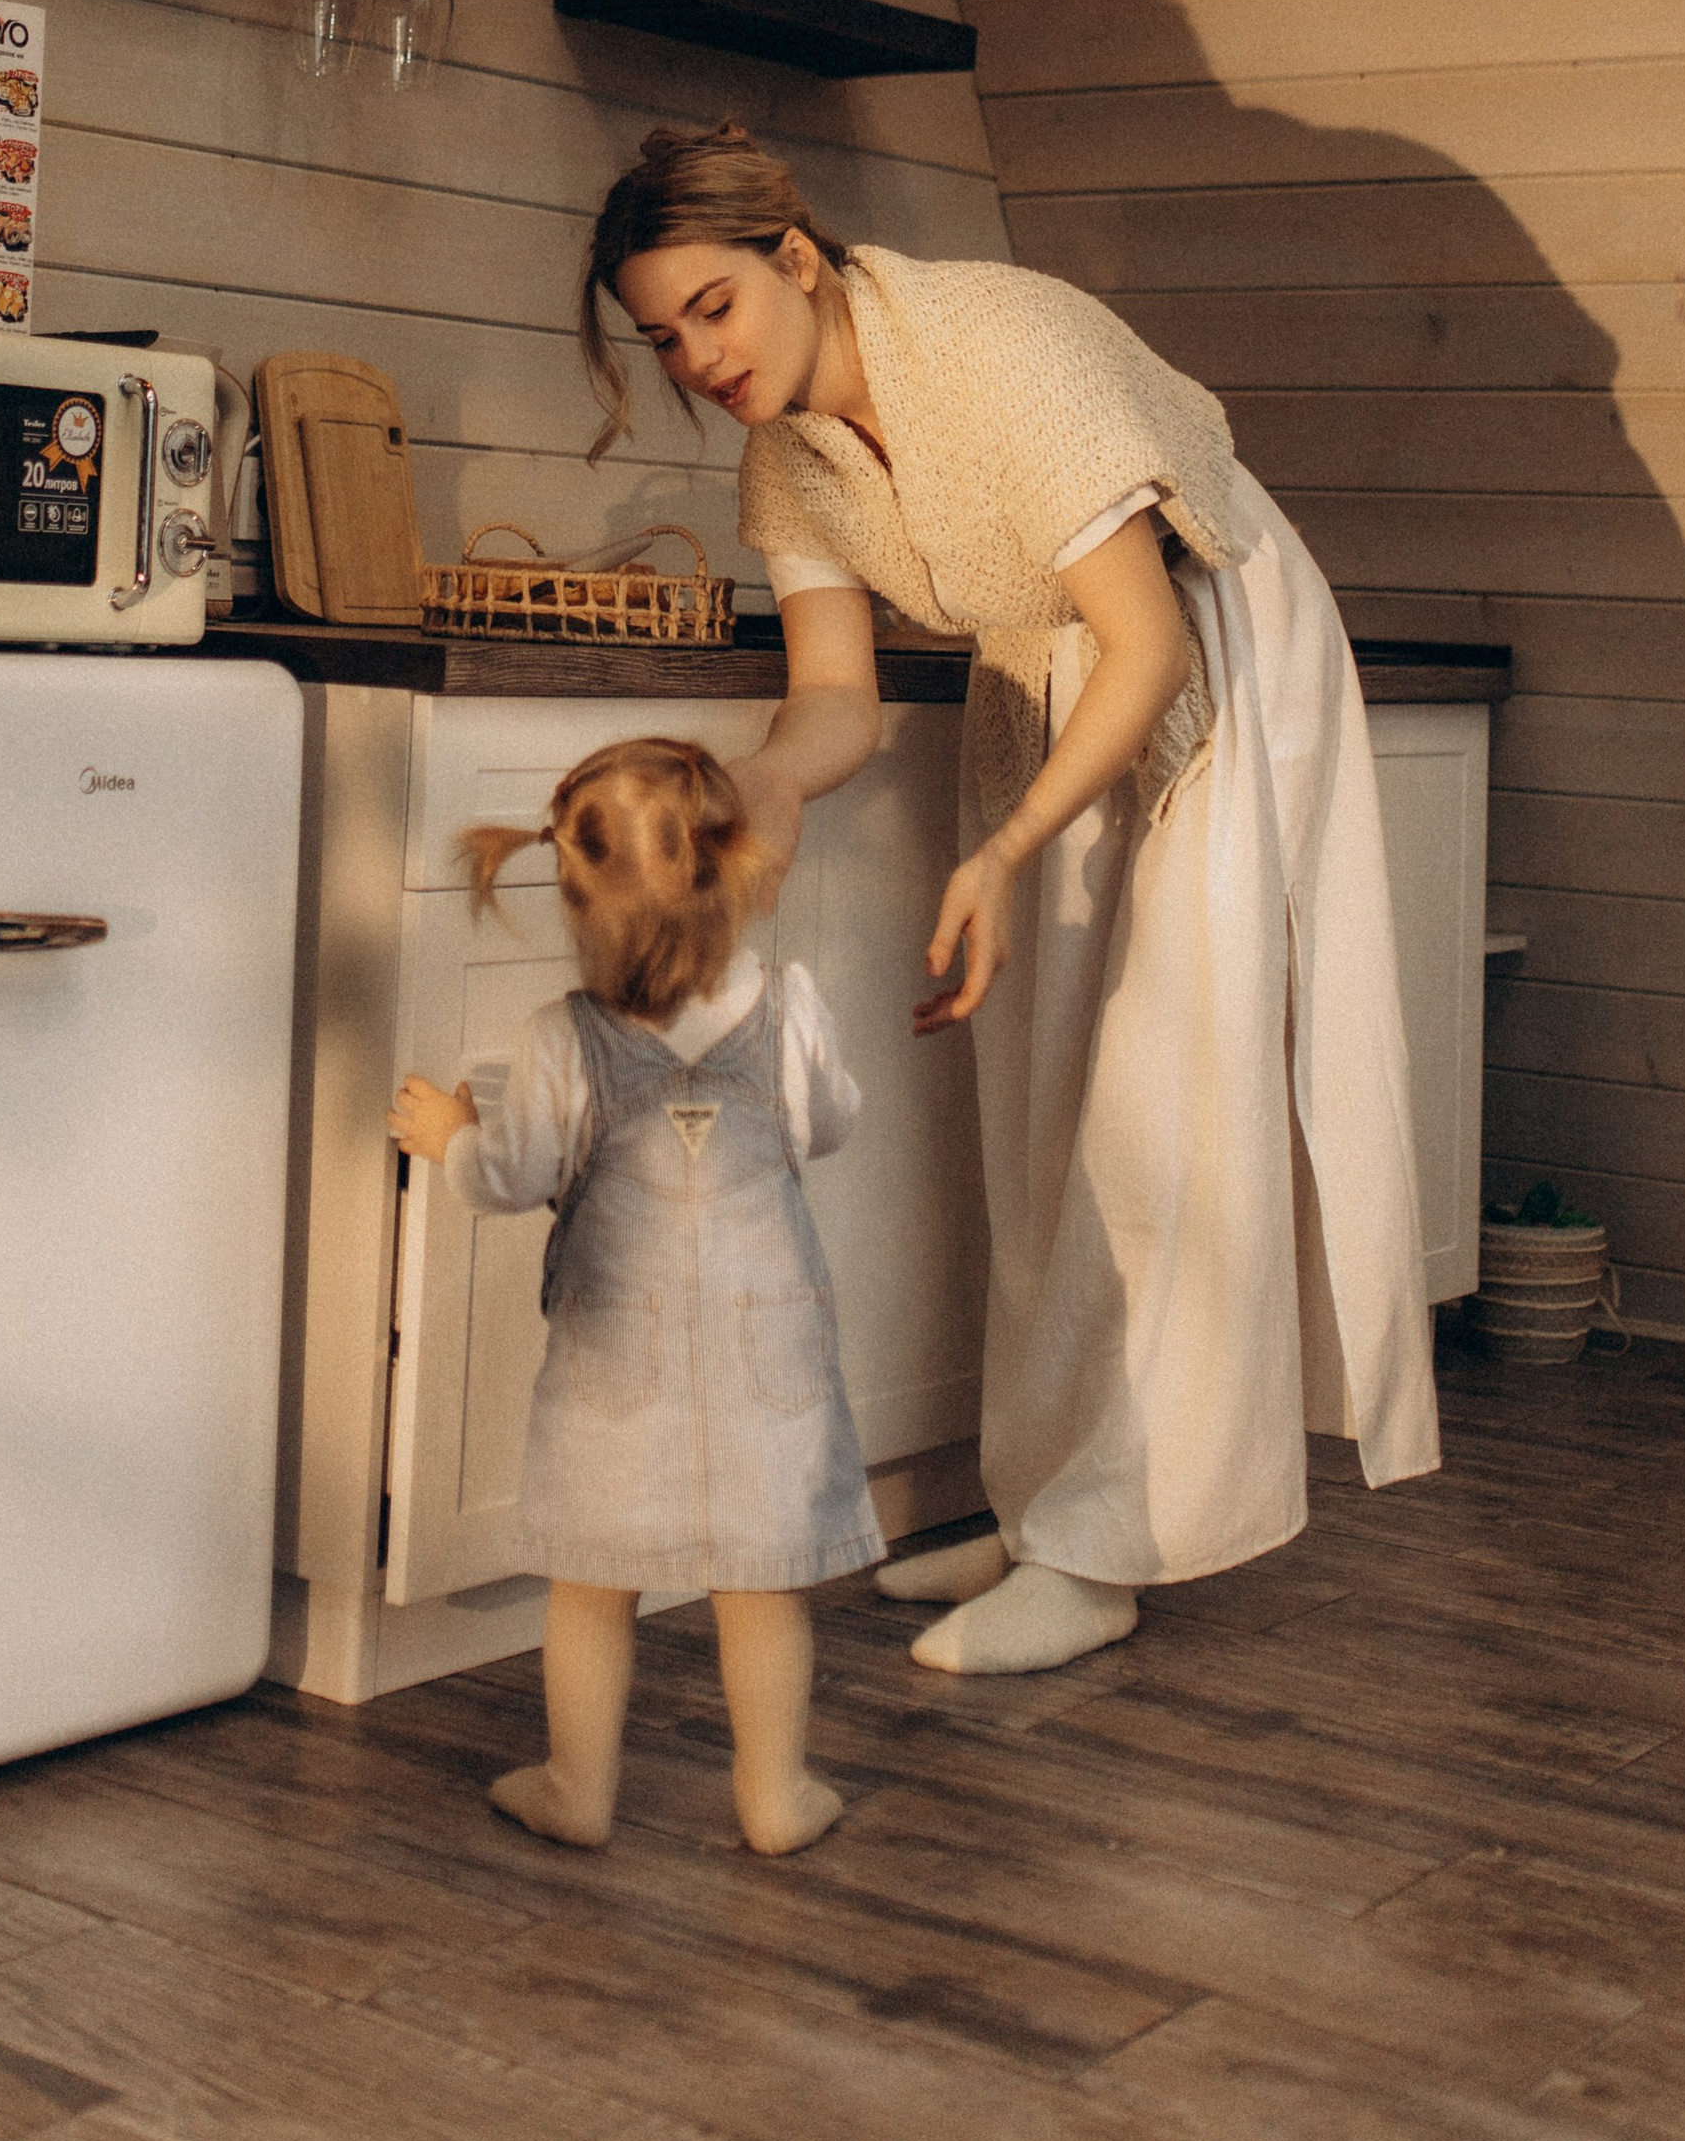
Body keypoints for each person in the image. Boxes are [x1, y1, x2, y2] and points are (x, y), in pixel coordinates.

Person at [579, 124, 1439, 1679]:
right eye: (662, 338)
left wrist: (1003, 848)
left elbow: (1150, 645)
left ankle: (1111, 1549)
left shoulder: (997, 345)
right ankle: (1046, 1505)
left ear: (794, 260)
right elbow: (831, 697)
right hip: (1043, 680)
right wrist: (757, 795)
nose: (696, 358)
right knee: (1037, 1114)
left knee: (1162, 1114)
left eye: (712, 309)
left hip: (1202, 652)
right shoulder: (790, 455)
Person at [386, 735, 880, 1855]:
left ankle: (579, 1787)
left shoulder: (560, 1041)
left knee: (593, 1583)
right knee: (763, 1589)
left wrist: (454, 1133)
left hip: (619, 1363)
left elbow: (511, 1179)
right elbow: (829, 1125)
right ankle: (774, 1795)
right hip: (773, 1360)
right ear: (734, 867)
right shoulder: (790, 1005)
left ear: (572, 903)